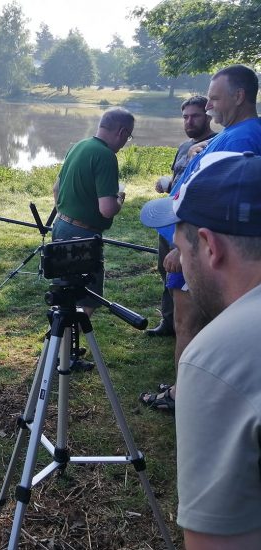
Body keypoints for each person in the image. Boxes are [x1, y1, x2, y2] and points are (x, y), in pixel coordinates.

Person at [140, 151, 261, 550]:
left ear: (209, 246)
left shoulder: (217, 359)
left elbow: (217, 543)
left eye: (179, 247)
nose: (177, 263)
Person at [139, 64, 261, 411]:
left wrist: (184, 248)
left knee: (186, 322)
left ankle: (184, 397)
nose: (209, 107)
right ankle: (186, 385)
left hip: (198, 249)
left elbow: (224, 203)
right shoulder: (236, 133)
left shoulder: (241, 138)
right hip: (195, 244)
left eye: (214, 98)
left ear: (239, 96)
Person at [52, 108, 133, 370]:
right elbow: (107, 209)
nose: (125, 142)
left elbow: (56, 188)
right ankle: (68, 356)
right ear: (121, 132)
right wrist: (119, 198)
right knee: (86, 298)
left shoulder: (79, 146)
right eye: (128, 137)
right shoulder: (106, 156)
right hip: (84, 237)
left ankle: (58, 349)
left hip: (61, 226)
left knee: (64, 294)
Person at [146, 96, 216, 338]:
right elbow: (181, 180)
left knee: (189, 275)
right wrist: (167, 185)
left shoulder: (214, 144)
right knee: (165, 270)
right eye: (185, 117)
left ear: (208, 115)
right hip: (169, 223)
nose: (189, 121)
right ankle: (169, 322)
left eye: (195, 116)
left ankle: (192, 325)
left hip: (191, 225)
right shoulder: (184, 146)